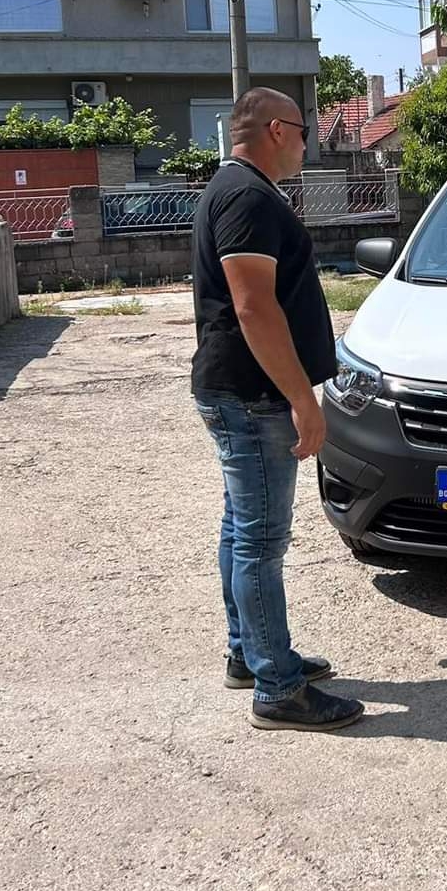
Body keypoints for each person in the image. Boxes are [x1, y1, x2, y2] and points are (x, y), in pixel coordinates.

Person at [191, 86, 364, 731]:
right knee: (261, 541)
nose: (308, 140)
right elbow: (253, 306)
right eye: (303, 128)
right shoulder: (248, 197)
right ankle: (277, 688)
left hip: (238, 388)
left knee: (241, 529)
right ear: (274, 130)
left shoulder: (237, 190)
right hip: (254, 395)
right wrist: (301, 399)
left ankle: (250, 655)